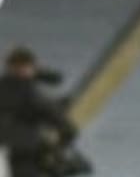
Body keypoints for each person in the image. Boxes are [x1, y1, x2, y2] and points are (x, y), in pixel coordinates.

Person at [0, 47, 80, 177]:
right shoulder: (29, 93)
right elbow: (64, 125)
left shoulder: (7, 88)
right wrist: (61, 144)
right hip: (23, 156)